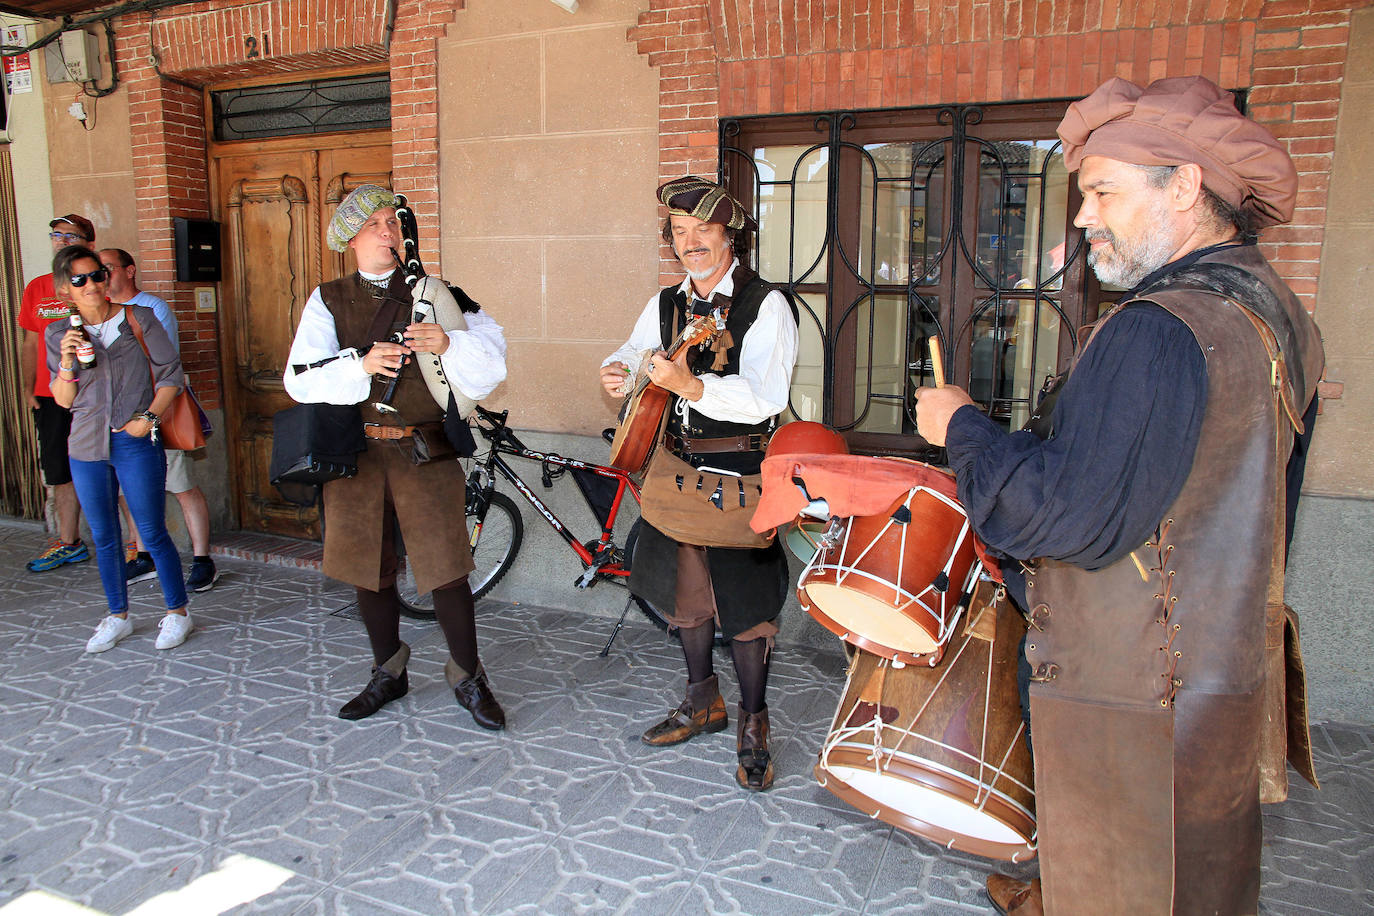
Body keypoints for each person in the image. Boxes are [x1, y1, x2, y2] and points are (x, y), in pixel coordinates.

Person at [914, 76, 1324, 915]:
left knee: (1129, 878)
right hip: (1218, 670)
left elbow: (1064, 515)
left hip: (1134, 683)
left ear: (1184, 185)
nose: (1082, 215)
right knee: (1190, 874)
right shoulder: (1278, 312)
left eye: (1102, 190)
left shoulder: (1156, 329)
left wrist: (962, 427)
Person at [283, 184, 508, 729]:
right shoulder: (328, 298)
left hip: (424, 449)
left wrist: (449, 345)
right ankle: (389, 672)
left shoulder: (440, 291)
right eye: (375, 225)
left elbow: (494, 362)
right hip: (357, 455)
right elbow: (299, 380)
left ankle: (469, 675)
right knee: (369, 570)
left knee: (447, 569)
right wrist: (360, 366)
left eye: (393, 221)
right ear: (351, 240)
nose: (389, 232)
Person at [600, 177, 798, 790]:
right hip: (678, 472)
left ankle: (754, 723)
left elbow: (768, 396)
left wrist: (693, 387)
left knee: (746, 610)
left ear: (728, 236)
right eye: (680, 233)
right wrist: (617, 370)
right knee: (686, 600)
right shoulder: (666, 304)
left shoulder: (766, 305)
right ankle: (701, 701)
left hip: (739, 473)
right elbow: (636, 351)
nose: (691, 244)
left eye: (703, 231)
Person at [45, 245, 192, 653]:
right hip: (86, 444)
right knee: (105, 535)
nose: (91, 284)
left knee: (151, 530)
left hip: (134, 439)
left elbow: (171, 376)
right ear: (65, 289)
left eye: (96, 275)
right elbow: (62, 398)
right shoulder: (58, 333)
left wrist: (148, 418)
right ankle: (117, 615)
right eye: (79, 279)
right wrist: (67, 360)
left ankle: (177, 612)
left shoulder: (137, 319)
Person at [99, 248, 217, 592]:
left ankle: (202, 560)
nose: (102, 277)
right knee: (125, 489)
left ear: (130, 270)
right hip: (116, 417)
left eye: (107, 268)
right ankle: (144, 554)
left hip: (156, 412)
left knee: (179, 484)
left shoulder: (152, 309)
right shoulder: (97, 316)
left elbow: (157, 364)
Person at [18, 215, 94, 572]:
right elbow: (30, 340)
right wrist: (25, 387)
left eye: (71, 235)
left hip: (92, 391)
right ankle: (69, 542)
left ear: (87, 243)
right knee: (58, 468)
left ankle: (133, 544)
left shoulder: (94, 282)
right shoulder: (36, 287)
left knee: (107, 463)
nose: (62, 240)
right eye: (57, 234)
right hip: (49, 394)